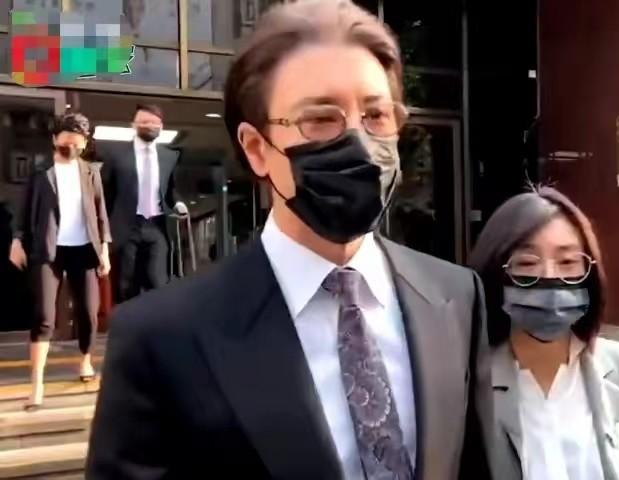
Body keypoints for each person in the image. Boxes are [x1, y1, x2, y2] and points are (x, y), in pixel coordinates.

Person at [86, 1, 492, 478]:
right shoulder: (160, 338)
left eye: (377, 116)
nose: (359, 143)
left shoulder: (457, 297)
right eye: (320, 119)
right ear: (257, 148)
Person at [469, 186, 619, 480]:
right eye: (528, 263)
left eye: (568, 262)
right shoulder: (469, 384)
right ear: (497, 274)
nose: (549, 277)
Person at [8, 112, 111, 411]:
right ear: (55, 140)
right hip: (48, 250)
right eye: (67, 142)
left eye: (78, 144)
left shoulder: (91, 172)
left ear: (85, 144)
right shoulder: (41, 174)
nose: (72, 148)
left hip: (84, 249)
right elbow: (23, 211)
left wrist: (104, 249)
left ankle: (85, 360)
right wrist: (17, 241)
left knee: (88, 311)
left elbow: (101, 213)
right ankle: (37, 383)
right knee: (44, 316)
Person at [99, 103, 186, 302]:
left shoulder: (169, 156)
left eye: (155, 123)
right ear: (134, 125)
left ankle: (156, 321)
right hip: (126, 228)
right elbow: (105, 194)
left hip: (156, 226)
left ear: (161, 127)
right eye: (145, 122)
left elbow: (170, 190)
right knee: (126, 286)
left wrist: (179, 204)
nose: (150, 126)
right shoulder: (116, 155)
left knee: (158, 282)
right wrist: (104, 232)